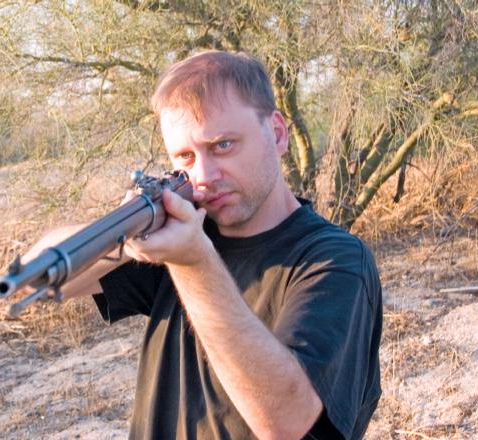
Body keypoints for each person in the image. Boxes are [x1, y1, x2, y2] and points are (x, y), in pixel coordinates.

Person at [24, 51, 382, 439]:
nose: (204, 176)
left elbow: (286, 422)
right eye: (185, 157)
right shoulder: (186, 228)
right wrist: (127, 239)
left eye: (223, 145)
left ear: (277, 133)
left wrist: (193, 261)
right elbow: (36, 279)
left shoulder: (335, 260)